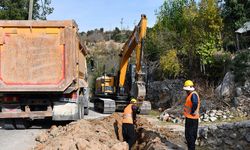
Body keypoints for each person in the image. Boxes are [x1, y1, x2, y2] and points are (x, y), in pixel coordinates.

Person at [183, 80, 200, 150]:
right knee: (190, 136)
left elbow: (195, 103)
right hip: (191, 118)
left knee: (190, 136)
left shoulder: (193, 95)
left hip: (191, 119)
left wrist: (192, 111)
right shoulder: (191, 94)